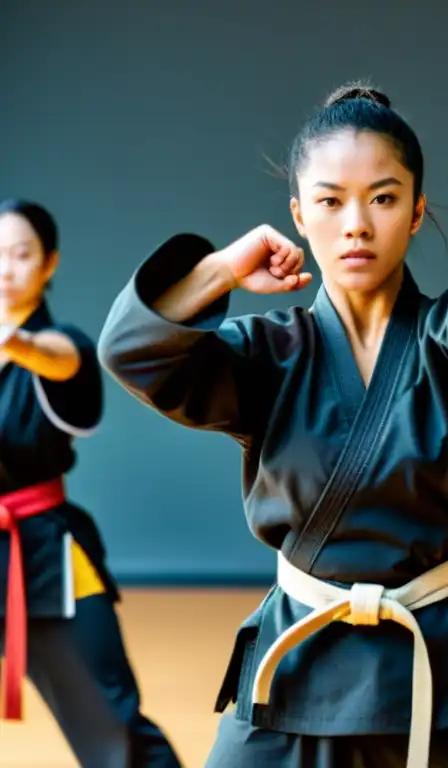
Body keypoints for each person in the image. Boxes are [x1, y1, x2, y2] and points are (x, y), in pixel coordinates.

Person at [95, 83, 448, 768]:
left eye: (383, 198)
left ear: (417, 212)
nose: (355, 223)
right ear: (299, 214)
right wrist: (221, 269)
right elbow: (130, 351)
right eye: (330, 201)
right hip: (300, 657)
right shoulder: (267, 353)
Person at [0, 199, 181, 766]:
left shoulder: (62, 346)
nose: (5, 268)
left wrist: (14, 342)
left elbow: (58, 359)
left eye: (20, 254)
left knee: (112, 729)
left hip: (41, 555)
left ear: (49, 263)